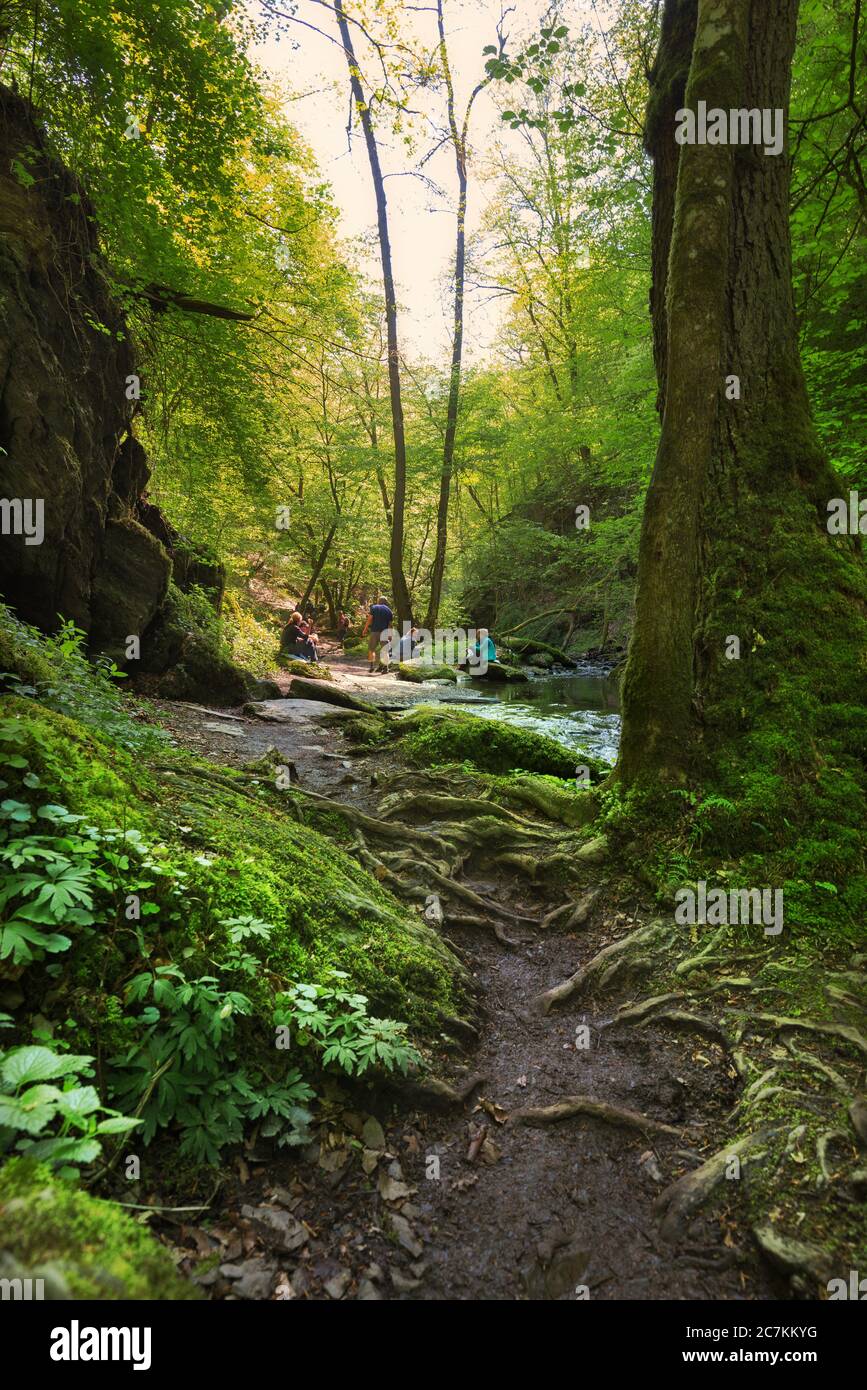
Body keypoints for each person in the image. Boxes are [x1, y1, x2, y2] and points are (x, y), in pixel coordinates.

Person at [362, 595, 393, 673]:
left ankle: (371, 666)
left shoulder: (374, 608)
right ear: (386, 602)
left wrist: (365, 629)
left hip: (374, 632)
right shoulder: (389, 610)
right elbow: (390, 625)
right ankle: (386, 668)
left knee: (371, 650)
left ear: (379, 601)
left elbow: (369, 619)